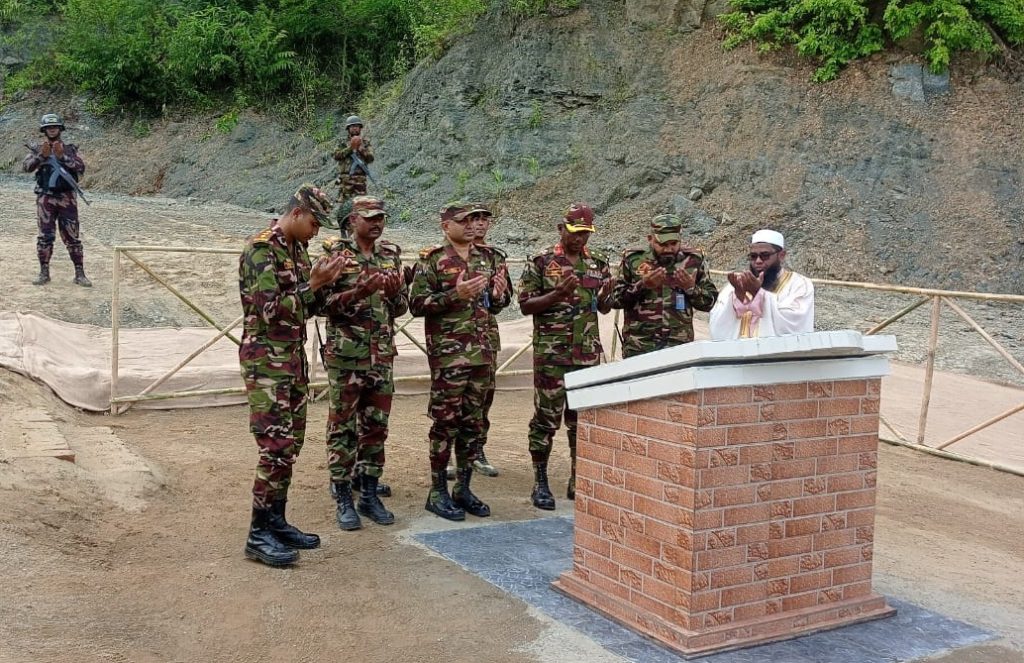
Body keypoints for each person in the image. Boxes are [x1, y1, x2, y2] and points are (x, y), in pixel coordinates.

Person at [238, 184, 346, 568]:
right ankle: (257, 534)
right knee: (275, 447)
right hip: (266, 361)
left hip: (291, 359)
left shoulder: (296, 249)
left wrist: (323, 285)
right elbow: (270, 311)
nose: (317, 232)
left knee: (291, 445)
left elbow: (304, 308)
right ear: (297, 213)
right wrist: (313, 284)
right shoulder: (262, 249)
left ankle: (276, 521)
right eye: (315, 224)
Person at [410, 203, 503, 521]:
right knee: (445, 424)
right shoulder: (432, 260)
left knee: (472, 424)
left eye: (472, 220)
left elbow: (497, 303)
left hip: (481, 354)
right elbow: (416, 304)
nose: (469, 225)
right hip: (450, 356)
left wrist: (501, 294)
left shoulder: (488, 258)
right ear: (446, 226)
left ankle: (463, 488)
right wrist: (454, 294)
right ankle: (437, 493)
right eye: (462, 221)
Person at [319, 196, 407, 531]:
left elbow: (397, 309)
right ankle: (343, 496)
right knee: (342, 429)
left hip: (381, 356)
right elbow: (321, 304)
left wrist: (397, 294)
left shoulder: (390, 255)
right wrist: (357, 292)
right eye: (369, 217)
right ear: (352, 220)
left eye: (381, 217)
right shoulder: (334, 255)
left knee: (376, 428)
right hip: (346, 357)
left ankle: (369, 493)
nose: (377, 222)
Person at [518, 203, 613, 509]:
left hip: (585, 355)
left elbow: (604, 308)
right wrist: (557, 294)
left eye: (585, 234)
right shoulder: (542, 262)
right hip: (552, 355)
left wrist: (607, 297)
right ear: (562, 228)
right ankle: (540, 481)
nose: (579, 240)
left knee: (581, 420)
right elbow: (525, 305)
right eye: (575, 233)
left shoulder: (598, 263)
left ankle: (578, 479)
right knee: (546, 420)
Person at [610, 214, 718, 357]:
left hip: (679, 348)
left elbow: (710, 303)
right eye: (662, 244)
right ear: (650, 239)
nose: (668, 249)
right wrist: (642, 286)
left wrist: (691, 289)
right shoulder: (634, 259)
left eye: (673, 244)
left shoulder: (693, 260)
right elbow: (615, 300)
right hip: (640, 347)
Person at [22, 113, 90, 287]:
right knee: (45, 236)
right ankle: (44, 272)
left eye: (55, 126)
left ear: (60, 129)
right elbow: (26, 168)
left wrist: (62, 158)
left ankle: (79, 273)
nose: (52, 129)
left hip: (67, 198)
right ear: (44, 130)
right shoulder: (38, 149)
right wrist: (41, 157)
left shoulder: (70, 149)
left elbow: (81, 167)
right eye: (48, 127)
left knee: (73, 237)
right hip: (46, 198)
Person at [709, 229, 814, 339]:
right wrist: (737, 298)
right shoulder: (734, 287)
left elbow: (797, 322)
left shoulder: (799, 284)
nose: (758, 261)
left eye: (765, 255)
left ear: (781, 255)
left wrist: (759, 295)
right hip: (738, 354)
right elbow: (715, 324)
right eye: (753, 256)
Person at [332, 115, 374, 233]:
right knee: (345, 206)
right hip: (346, 180)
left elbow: (370, 158)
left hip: (360, 180)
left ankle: (357, 231)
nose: (355, 129)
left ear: (360, 128)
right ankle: (343, 229)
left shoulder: (365, 142)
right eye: (352, 127)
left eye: (357, 126)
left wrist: (360, 148)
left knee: (360, 206)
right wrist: (350, 148)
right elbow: (336, 156)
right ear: (348, 129)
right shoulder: (341, 142)